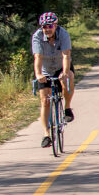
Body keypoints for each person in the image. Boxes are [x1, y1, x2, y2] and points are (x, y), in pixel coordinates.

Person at [32, 11, 75, 148]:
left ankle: (67, 108)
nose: (47, 29)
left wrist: (65, 72)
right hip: (45, 69)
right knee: (45, 100)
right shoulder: (37, 36)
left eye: (50, 26)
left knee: (68, 79)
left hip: (61, 66)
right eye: (44, 27)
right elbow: (38, 57)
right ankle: (46, 134)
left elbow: (66, 55)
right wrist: (39, 74)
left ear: (55, 25)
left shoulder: (63, 34)